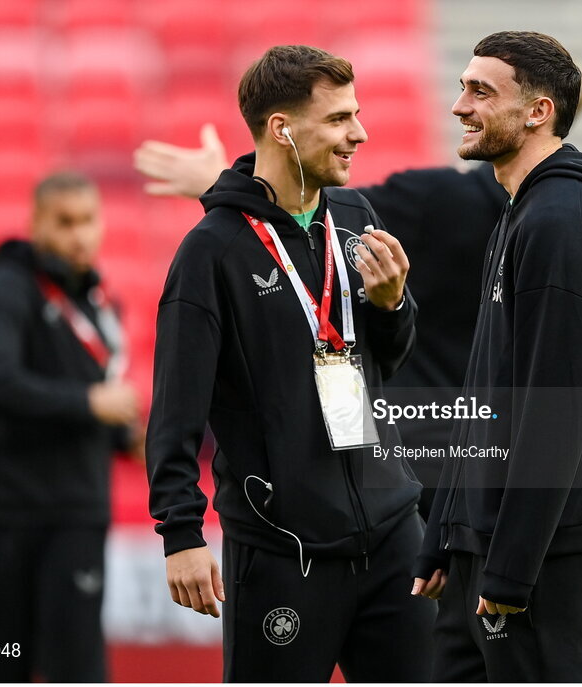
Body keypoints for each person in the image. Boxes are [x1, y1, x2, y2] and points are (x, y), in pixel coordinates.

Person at [144, 45, 434, 682]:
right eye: (337, 119)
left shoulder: (355, 216)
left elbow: (388, 357)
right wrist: (180, 531)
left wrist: (390, 307)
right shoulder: (210, 252)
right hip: (285, 548)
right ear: (282, 128)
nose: (359, 133)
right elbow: (175, 406)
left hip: (391, 534)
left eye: (355, 114)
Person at [411, 31, 582, 682]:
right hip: (479, 542)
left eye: (480, 91)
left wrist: (512, 566)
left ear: (538, 111)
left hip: (535, 553)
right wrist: (444, 536)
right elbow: (485, 391)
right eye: (462, 86)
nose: (459, 105)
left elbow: (555, 411)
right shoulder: (523, 213)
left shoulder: (563, 222)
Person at [134, 130, 508, 519]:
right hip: (475, 453)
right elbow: (317, 226)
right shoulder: (554, 218)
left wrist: (220, 182)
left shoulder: (444, 201)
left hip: (416, 450)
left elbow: (310, 223)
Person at [0, 172, 139, 682]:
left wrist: (131, 438)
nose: (80, 235)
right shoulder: (7, 286)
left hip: (75, 517)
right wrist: (87, 402)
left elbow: (97, 409)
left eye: (88, 221)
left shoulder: (101, 305)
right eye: (64, 222)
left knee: (75, 671)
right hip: (5, 518)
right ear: (36, 224)